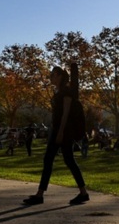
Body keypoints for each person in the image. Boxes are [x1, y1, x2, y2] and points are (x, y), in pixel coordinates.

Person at [23, 64, 89, 206]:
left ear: (59, 76)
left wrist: (60, 132)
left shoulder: (66, 92)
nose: (50, 77)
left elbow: (65, 113)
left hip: (64, 131)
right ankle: (82, 193)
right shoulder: (58, 92)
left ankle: (41, 195)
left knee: (61, 160)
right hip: (58, 130)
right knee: (59, 160)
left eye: (53, 75)